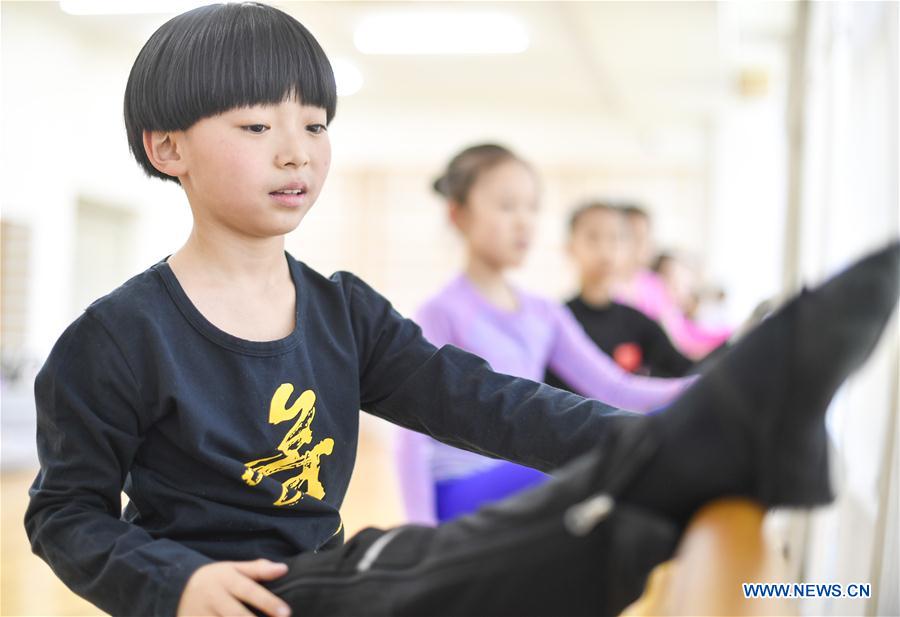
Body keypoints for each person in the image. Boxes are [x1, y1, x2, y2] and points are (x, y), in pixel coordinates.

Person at [22, 4, 900, 617]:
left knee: (446, 561)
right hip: (242, 597)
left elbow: (488, 401)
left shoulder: (341, 311)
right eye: (257, 128)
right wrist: (175, 583)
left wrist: (619, 438)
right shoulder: (115, 339)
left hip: (328, 575)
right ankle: (700, 448)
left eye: (317, 125)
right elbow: (65, 513)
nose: (296, 151)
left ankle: (685, 454)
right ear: (167, 147)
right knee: (439, 574)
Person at [397, 146, 692, 525]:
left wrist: (699, 388)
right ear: (458, 215)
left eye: (532, 207)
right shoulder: (442, 311)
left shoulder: (544, 313)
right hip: (461, 488)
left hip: (523, 472)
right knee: (596, 453)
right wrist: (418, 532)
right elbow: (409, 432)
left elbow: (615, 388)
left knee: (644, 434)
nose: (524, 222)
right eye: (506, 206)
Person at [546, 202, 693, 382]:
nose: (605, 250)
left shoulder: (637, 322)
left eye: (615, 238)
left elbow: (685, 370)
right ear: (570, 247)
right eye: (593, 237)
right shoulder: (558, 320)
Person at [615, 205, 732, 359]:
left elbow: (682, 336)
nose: (643, 244)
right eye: (633, 236)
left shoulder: (653, 285)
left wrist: (731, 335)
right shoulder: (609, 292)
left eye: (645, 236)